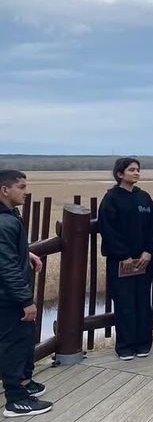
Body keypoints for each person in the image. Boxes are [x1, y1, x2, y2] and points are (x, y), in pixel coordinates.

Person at [0, 170, 52, 418]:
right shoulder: (3, 222)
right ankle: (15, 400)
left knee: (23, 339)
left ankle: (23, 383)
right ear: (4, 190)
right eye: (20, 187)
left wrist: (27, 252)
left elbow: (8, 251)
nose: (25, 192)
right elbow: (6, 266)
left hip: (10, 294)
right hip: (7, 297)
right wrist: (25, 300)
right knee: (13, 344)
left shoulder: (10, 215)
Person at [98, 158, 153, 360]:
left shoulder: (144, 197)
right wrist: (122, 255)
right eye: (131, 170)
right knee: (124, 303)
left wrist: (149, 251)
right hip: (120, 261)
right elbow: (108, 229)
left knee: (142, 301)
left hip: (144, 261)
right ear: (120, 174)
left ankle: (143, 343)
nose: (136, 173)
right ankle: (125, 346)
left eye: (138, 169)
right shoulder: (111, 199)